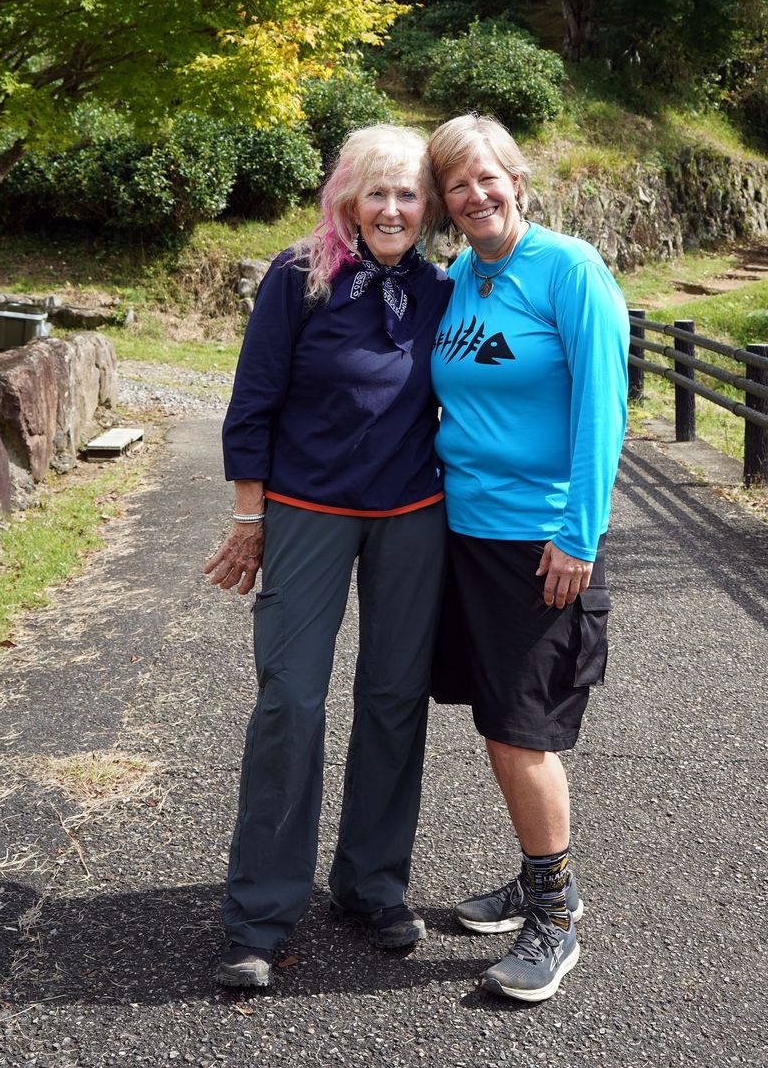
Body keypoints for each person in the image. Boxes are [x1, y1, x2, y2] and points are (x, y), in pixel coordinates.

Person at [207, 124, 454, 990]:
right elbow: (252, 401)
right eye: (377, 192)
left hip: (413, 514)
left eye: (409, 193)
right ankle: (262, 910)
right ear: (348, 197)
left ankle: (371, 884)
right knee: (290, 698)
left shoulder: (441, 290)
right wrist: (249, 518)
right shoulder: (296, 275)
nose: (392, 208)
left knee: (394, 697)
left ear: (428, 207)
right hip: (307, 511)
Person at [425, 112, 629, 1004]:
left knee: (525, 728)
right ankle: (535, 875)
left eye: (487, 176)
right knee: (497, 722)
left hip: (539, 541)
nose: (475, 195)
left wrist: (580, 534)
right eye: (457, 184)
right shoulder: (459, 280)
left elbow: (602, 409)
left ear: (517, 177)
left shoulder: (569, 270)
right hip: (462, 534)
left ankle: (555, 911)